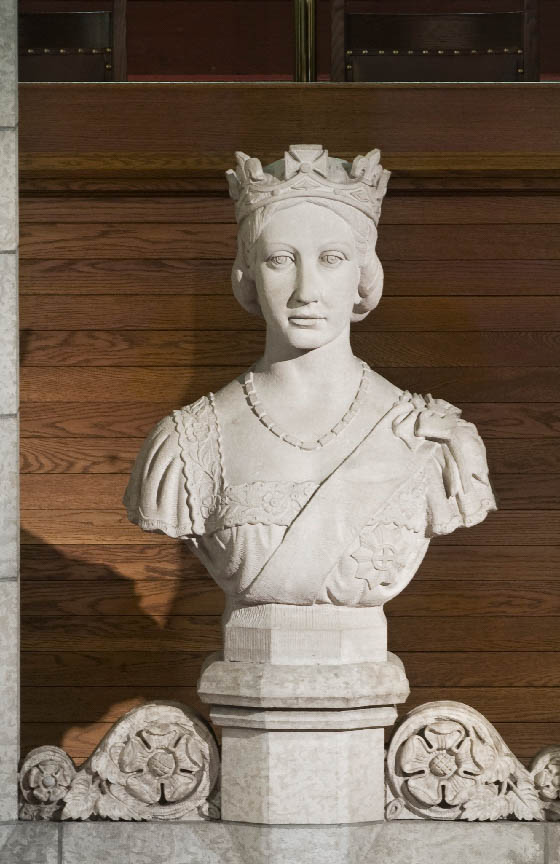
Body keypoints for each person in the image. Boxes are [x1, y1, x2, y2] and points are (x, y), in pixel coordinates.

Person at [124, 144, 494, 610]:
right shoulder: (186, 442)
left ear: (363, 273)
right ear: (248, 273)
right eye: (281, 259)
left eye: (331, 258)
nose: (306, 291)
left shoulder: (435, 439)